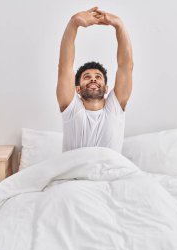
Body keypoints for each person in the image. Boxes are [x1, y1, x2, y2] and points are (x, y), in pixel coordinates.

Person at [56, 7, 133, 152]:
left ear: (106, 88)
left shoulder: (114, 108)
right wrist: (73, 23)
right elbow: (64, 67)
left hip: (112, 174)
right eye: (87, 77)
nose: (93, 80)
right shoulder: (71, 109)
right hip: (74, 175)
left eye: (98, 77)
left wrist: (119, 25)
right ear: (77, 89)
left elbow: (126, 67)